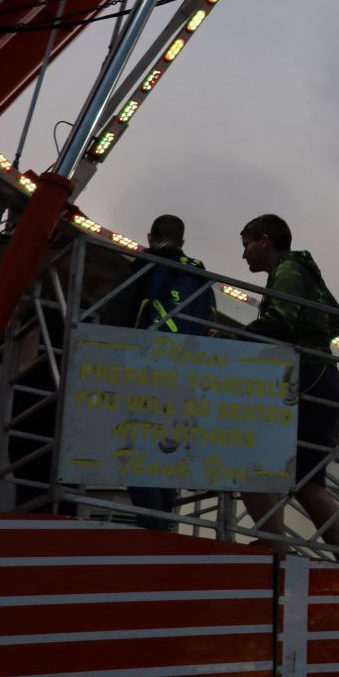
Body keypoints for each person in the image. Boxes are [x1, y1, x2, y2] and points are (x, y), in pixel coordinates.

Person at [235, 214, 339, 553]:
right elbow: (337, 320)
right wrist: (314, 337)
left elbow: (279, 324)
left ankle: (275, 544)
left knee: (245, 457)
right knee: (308, 482)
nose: (244, 255)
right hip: (324, 378)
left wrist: (231, 336)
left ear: (264, 241)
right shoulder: (304, 271)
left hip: (307, 377)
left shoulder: (286, 272)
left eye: (246, 245)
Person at [104, 214, 215, 532]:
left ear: (150, 237)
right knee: (169, 451)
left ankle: (154, 527)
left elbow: (115, 317)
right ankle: (164, 523)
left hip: (143, 373)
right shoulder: (198, 276)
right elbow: (209, 328)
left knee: (137, 450)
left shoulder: (139, 267)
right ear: (183, 242)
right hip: (186, 378)